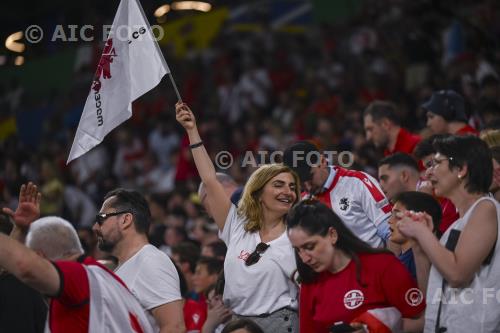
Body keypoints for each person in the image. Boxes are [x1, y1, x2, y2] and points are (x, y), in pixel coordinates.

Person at [176, 102, 299, 333]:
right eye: (279, 185)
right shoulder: (237, 225)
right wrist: (192, 131)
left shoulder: (298, 236)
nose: (288, 191)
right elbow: (211, 181)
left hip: (281, 324)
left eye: (292, 187)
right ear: (259, 192)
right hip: (238, 324)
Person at [396, 135, 500, 332]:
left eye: (436, 163)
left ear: (461, 169)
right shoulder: (456, 225)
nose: (427, 173)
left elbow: (457, 274)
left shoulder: (485, 208)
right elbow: (433, 295)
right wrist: (419, 244)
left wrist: (421, 231)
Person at [287, 200, 425, 333]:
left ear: (332, 235)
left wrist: (377, 327)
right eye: (298, 250)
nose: (304, 258)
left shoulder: (383, 266)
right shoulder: (309, 284)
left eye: (310, 247)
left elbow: (424, 321)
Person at [0, 215, 154, 333]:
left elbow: (25, 267)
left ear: (40, 257)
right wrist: (19, 232)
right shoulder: (106, 279)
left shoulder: (78, 276)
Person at [92, 188, 185, 333]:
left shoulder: (151, 261)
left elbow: (174, 327)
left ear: (125, 220)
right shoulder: (129, 265)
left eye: (101, 218)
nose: (95, 227)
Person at [283, 140, 391, 247]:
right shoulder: (302, 203)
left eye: (310, 177)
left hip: (373, 260)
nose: (307, 186)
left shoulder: (358, 183)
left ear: (322, 161)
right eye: (301, 182)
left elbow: (390, 232)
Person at [388, 191, 442, 286]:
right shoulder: (404, 258)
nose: (390, 221)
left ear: (420, 220)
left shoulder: (420, 261)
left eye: (397, 215)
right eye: (391, 215)